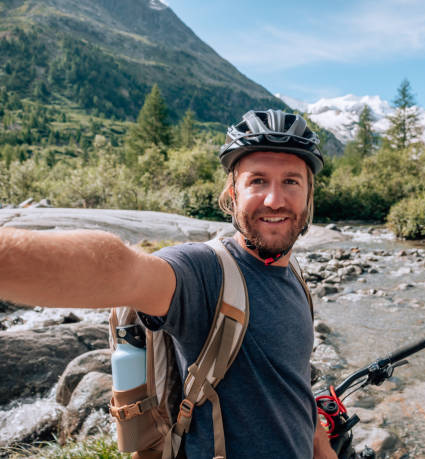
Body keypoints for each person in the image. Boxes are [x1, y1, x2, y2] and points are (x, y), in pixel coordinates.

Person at [0, 109, 337, 459]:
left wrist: (321, 448)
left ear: (309, 194)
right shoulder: (204, 273)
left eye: (291, 181)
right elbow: (121, 270)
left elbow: (294, 387)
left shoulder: (294, 273)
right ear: (233, 195)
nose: (274, 199)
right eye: (257, 181)